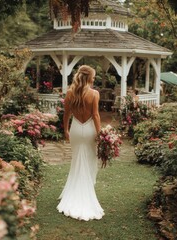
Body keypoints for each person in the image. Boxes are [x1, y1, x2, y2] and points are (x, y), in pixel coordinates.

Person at [57, 65, 104, 221]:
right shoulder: (94, 94)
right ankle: (86, 191)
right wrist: (100, 134)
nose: (94, 79)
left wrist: (65, 130)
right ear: (89, 77)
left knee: (77, 160)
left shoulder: (70, 93)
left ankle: (74, 191)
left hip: (76, 129)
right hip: (90, 129)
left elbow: (66, 114)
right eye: (94, 76)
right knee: (90, 160)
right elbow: (96, 116)